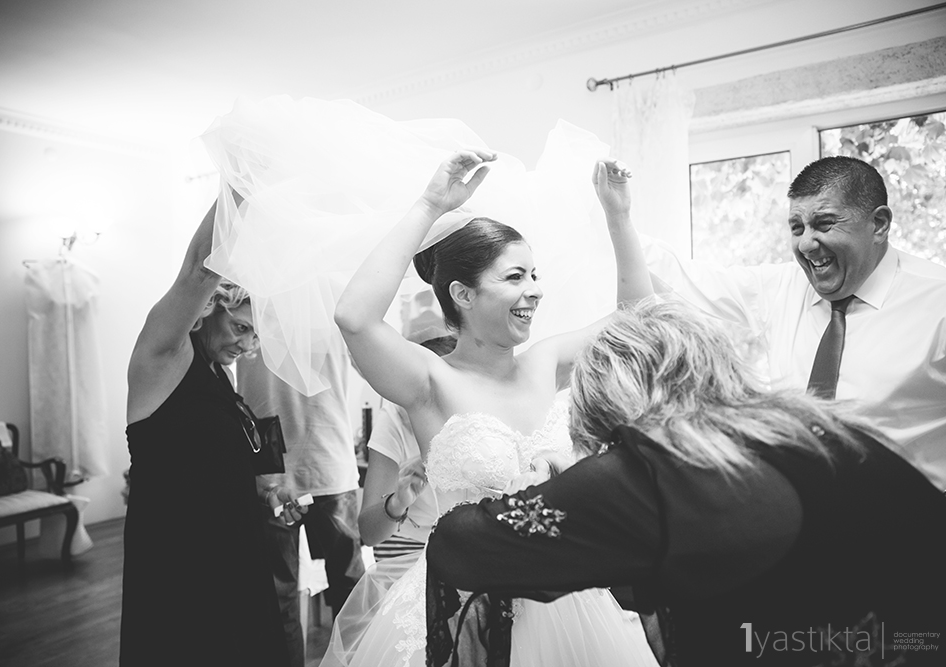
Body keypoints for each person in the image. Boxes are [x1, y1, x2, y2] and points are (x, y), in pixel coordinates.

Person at [427, 298, 946, 666]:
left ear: (609, 399)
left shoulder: (653, 472)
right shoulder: (810, 429)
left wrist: (570, 479)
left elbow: (461, 545)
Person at [322, 152, 659, 666]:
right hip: (461, 607)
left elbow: (640, 320)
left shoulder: (545, 363)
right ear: (463, 293)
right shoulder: (430, 380)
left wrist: (619, 216)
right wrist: (430, 204)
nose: (535, 291)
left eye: (534, 275)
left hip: (566, 605)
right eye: (515, 277)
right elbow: (354, 316)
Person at [641, 156, 946, 490]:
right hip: (804, 505)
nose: (805, 244)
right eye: (797, 228)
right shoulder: (782, 288)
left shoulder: (938, 302)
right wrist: (615, 216)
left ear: (879, 224)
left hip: (916, 513)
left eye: (824, 224)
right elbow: (681, 278)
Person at [120, 198, 299, 666]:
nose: (247, 344)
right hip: (178, 563)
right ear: (213, 305)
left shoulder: (220, 376)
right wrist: (242, 182)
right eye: (240, 327)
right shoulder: (164, 358)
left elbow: (210, 466)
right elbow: (199, 268)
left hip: (235, 554)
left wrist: (268, 497)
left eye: (256, 335)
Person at [236, 338, 366, 667]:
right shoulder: (335, 311)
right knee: (341, 589)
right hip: (291, 468)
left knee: (288, 597)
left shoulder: (249, 310)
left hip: (293, 467)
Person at [358, 335, 456, 563]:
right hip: (406, 545)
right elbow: (369, 533)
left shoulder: (484, 419)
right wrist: (397, 503)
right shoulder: (396, 418)